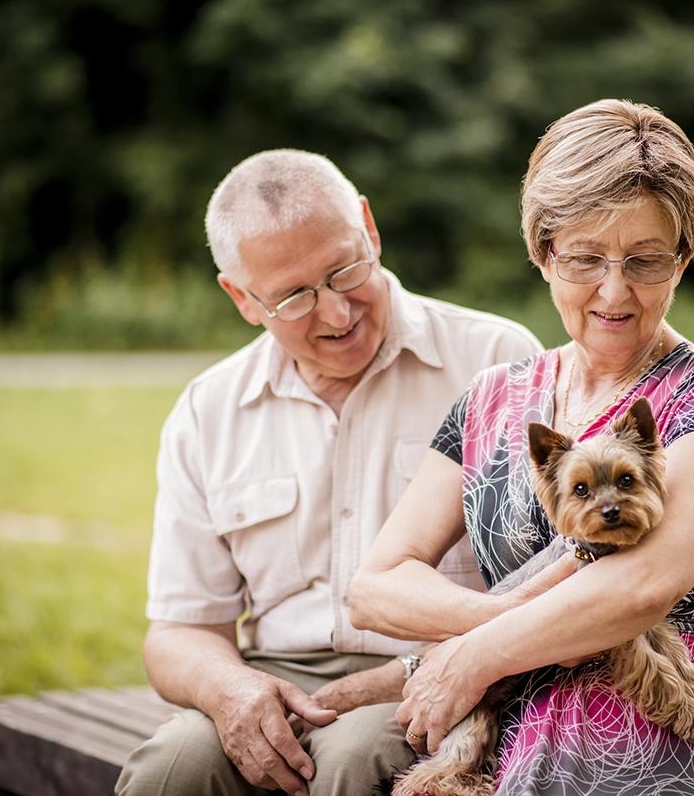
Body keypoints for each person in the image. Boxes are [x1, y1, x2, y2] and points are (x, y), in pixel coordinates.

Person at [350, 99, 694, 795]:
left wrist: (471, 658)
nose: (615, 292)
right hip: (502, 741)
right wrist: (497, 625)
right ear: (542, 252)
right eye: (584, 259)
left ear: (685, 256)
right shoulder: (490, 399)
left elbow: (643, 586)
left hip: (665, 741)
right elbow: (374, 588)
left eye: (646, 260)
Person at [115, 150, 541, 796]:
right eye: (293, 297)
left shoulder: (494, 361)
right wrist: (232, 692)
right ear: (242, 298)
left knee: (352, 759)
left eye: (345, 271)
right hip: (271, 675)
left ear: (369, 229)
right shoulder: (210, 409)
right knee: (168, 772)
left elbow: (552, 579)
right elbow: (180, 631)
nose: (337, 314)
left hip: (440, 670)